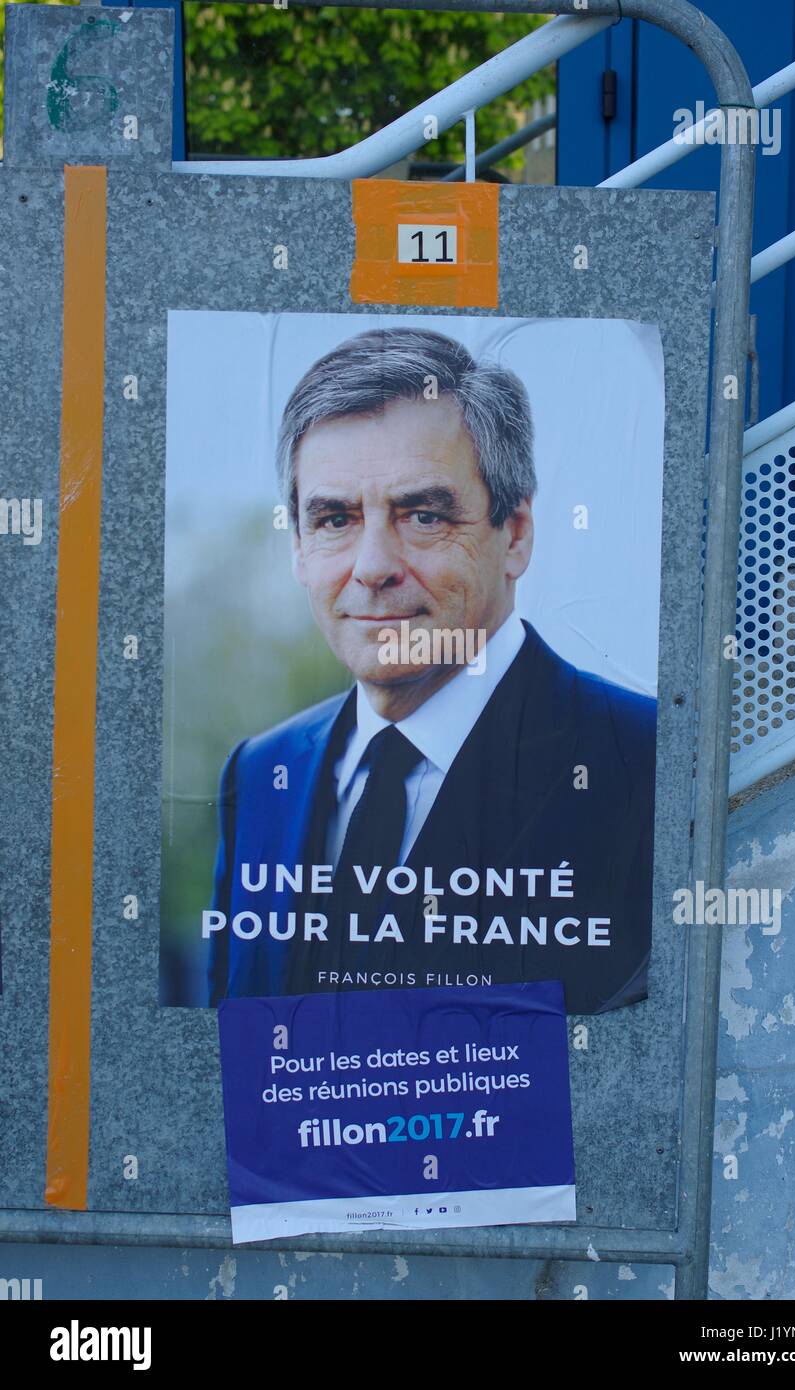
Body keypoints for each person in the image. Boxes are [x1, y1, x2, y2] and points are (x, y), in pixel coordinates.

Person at [207, 327, 656, 1013]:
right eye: (334, 519)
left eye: (422, 515)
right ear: (298, 547)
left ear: (516, 534)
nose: (374, 567)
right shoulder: (259, 773)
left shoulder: (643, 760)